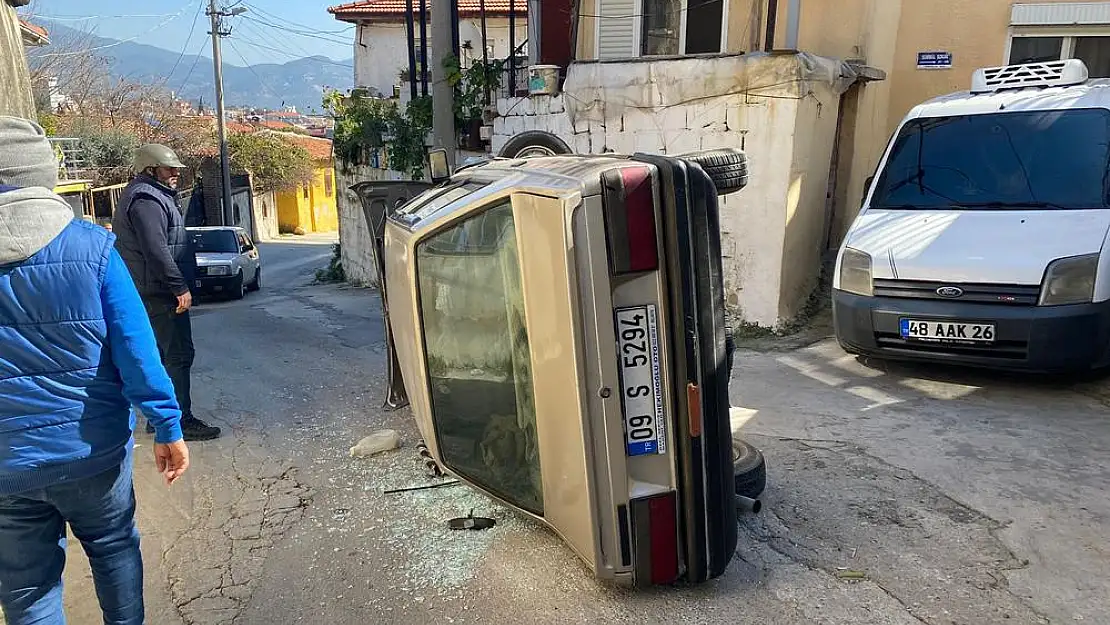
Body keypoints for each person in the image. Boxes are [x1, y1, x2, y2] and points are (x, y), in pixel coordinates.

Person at [0, 116, 191, 624]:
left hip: (6, 464)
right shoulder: (90, 248)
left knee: (28, 588)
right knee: (112, 549)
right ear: (44, 175)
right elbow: (136, 351)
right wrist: (168, 426)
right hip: (92, 451)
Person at [113, 144, 221, 440]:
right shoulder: (146, 199)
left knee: (164, 355)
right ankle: (179, 421)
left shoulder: (150, 195)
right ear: (150, 170)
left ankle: (162, 419)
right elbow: (156, 249)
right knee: (178, 354)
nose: (175, 174)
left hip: (152, 290)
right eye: (168, 169)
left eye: (176, 169)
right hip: (159, 292)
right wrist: (179, 287)